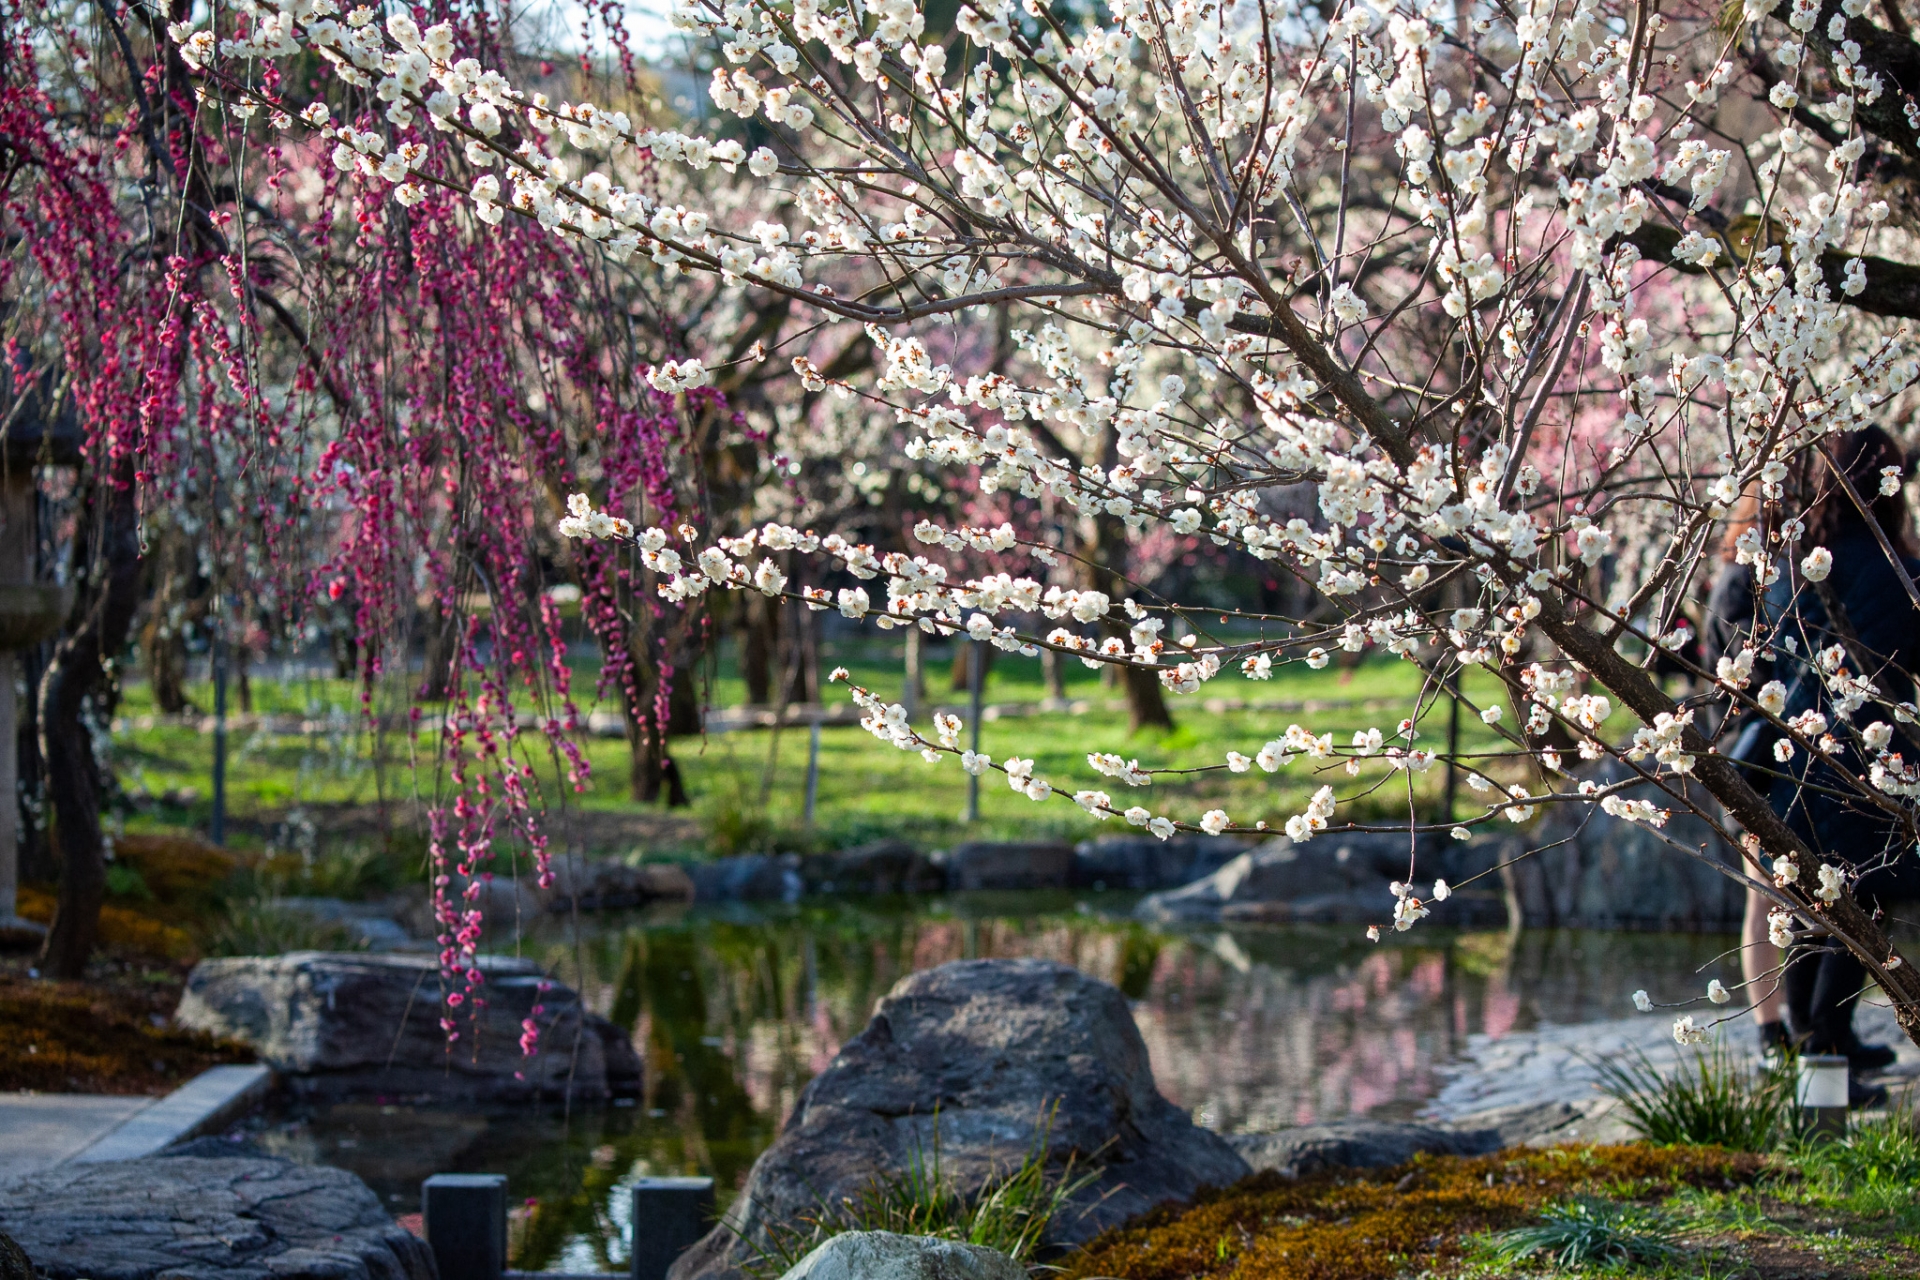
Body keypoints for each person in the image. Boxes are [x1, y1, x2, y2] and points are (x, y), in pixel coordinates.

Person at [1761, 426, 1920, 1092]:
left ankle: (1822, 1050)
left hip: (1797, 753)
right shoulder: (1895, 569)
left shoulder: (1799, 564)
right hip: (1868, 755)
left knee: (1813, 903)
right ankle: (1825, 1042)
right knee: (1863, 900)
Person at [1700, 499, 1791, 1060]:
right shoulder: (1740, 585)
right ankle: (1770, 1031)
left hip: (1765, 759)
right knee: (1765, 900)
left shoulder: (1764, 582)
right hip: (1754, 765)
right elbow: (1744, 679)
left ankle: (1786, 1027)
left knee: (1776, 899)